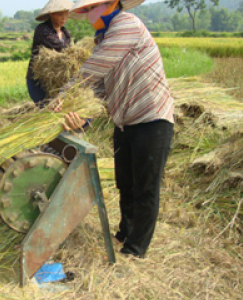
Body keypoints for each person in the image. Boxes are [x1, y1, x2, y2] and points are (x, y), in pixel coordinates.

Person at [57, 0, 174, 258]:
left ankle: (135, 249)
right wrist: (83, 117)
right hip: (125, 120)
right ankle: (124, 233)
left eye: (90, 8)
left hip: (151, 118)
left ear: (110, 4)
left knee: (145, 187)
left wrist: (64, 94)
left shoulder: (126, 25)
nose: (88, 15)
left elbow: (93, 68)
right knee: (126, 183)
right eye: (86, 10)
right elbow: (99, 87)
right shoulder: (104, 37)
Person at [26, 0, 75, 107]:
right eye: (60, 14)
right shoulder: (42, 30)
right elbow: (63, 49)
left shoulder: (66, 33)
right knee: (47, 110)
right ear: (51, 14)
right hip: (39, 80)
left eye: (66, 14)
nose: (64, 18)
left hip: (57, 81)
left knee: (61, 112)